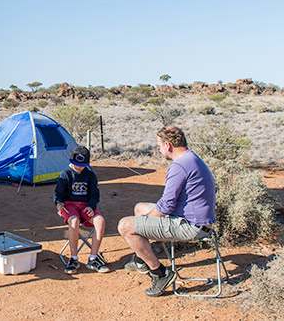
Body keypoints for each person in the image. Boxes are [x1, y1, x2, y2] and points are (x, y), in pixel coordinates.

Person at [117, 126, 216, 297]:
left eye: (160, 146)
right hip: (195, 219)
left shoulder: (180, 166)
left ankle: (160, 273)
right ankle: (142, 261)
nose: (159, 149)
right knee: (139, 208)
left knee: (126, 226)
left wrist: (148, 221)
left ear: (168, 145)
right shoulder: (191, 158)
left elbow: (166, 205)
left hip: (191, 226)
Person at [54, 146, 110, 274]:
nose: (78, 167)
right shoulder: (66, 174)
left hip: (85, 206)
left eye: (82, 165)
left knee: (100, 220)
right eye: (75, 164)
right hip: (69, 205)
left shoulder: (90, 175)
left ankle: (93, 259)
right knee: (73, 221)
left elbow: (94, 195)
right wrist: (59, 203)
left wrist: (91, 206)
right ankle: (73, 259)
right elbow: (59, 193)